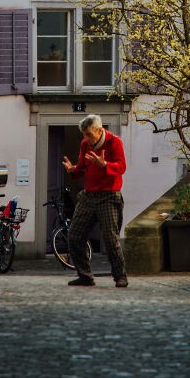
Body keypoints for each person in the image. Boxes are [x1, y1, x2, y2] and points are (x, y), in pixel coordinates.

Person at [62, 114, 128, 288]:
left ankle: (120, 276)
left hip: (109, 195)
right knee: (74, 235)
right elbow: (82, 167)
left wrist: (105, 165)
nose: (86, 138)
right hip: (89, 195)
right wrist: (72, 170)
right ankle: (85, 276)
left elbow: (121, 167)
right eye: (84, 135)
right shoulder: (85, 144)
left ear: (99, 131)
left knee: (110, 238)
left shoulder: (115, 142)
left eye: (89, 135)